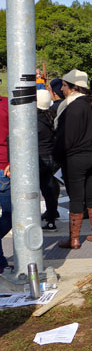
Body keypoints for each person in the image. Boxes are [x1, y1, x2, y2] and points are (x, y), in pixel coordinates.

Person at [54, 69, 92, 249]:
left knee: (76, 198)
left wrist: (57, 156)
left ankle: (74, 239)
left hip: (76, 156)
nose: (61, 89)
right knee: (91, 194)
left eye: (64, 85)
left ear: (73, 87)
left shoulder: (72, 107)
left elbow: (65, 137)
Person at [36, 89, 58, 232]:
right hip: (50, 157)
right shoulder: (51, 116)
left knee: (30, 191)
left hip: (38, 158)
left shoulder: (33, 119)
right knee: (49, 190)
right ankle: (51, 221)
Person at [0, 90, 11, 273]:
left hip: (5, 167)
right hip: (5, 167)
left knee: (12, 213)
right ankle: (1, 263)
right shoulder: (8, 105)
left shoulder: (8, 105)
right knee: (11, 213)